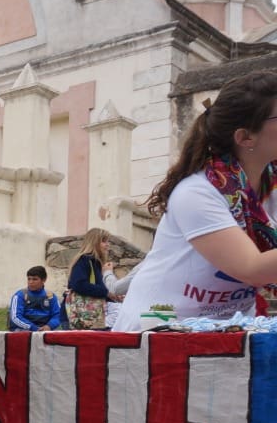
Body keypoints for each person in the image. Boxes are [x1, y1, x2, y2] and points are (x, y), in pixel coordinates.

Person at [115, 71, 277, 331]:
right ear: (245, 137)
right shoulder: (197, 193)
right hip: (159, 327)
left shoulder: (271, 184)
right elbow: (252, 268)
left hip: (226, 330)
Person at [65, 229, 117, 330]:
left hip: (89, 317)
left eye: (108, 241)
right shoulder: (85, 260)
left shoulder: (95, 262)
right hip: (81, 316)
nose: (107, 245)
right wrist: (106, 292)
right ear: (94, 242)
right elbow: (79, 284)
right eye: (104, 241)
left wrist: (113, 295)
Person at [8, 266, 62, 331]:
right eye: (29, 279)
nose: (31, 282)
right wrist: (33, 328)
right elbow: (15, 317)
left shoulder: (51, 296)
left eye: (34, 279)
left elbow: (58, 315)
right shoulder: (19, 295)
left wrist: (49, 326)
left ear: (44, 280)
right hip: (24, 329)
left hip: (46, 329)